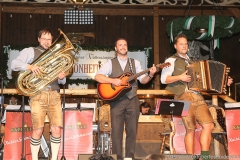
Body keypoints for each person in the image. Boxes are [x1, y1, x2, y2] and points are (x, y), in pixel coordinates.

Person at [160, 34, 232, 160]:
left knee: (209, 125)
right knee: (190, 128)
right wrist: (179, 77)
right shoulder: (171, 60)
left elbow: (206, 81)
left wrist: (224, 82)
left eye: (186, 44)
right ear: (175, 46)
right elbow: (163, 79)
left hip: (198, 96)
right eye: (181, 44)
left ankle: (204, 157)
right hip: (184, 96)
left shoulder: (193, 61)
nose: (184, 46)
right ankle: (190, 158)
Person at [94, 38, 156, 160]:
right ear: (116, 48)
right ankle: (117, 158)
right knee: (116, 132)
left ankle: (129, 158)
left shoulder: (135, 63)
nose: (123, 47)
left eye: (125, 45)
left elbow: (143, 80)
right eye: (120, 45)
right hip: (116, 102)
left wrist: (151, 74)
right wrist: (112, 80)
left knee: (132, 131)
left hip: (132, 99)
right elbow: (97, 76)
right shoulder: (110, 63)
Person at [11, 28, 66, 160]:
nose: (47, 41)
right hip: (37, 95)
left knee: (57, 129)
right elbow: (14, 64)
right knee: (38, 129)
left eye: (49, 39)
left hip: (54, 95)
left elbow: (62, 82)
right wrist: (30, 67)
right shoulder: (30, 51)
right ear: (39, 39)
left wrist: (61, 76)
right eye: (44, 39)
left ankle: (54, 158)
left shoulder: (56, 55)